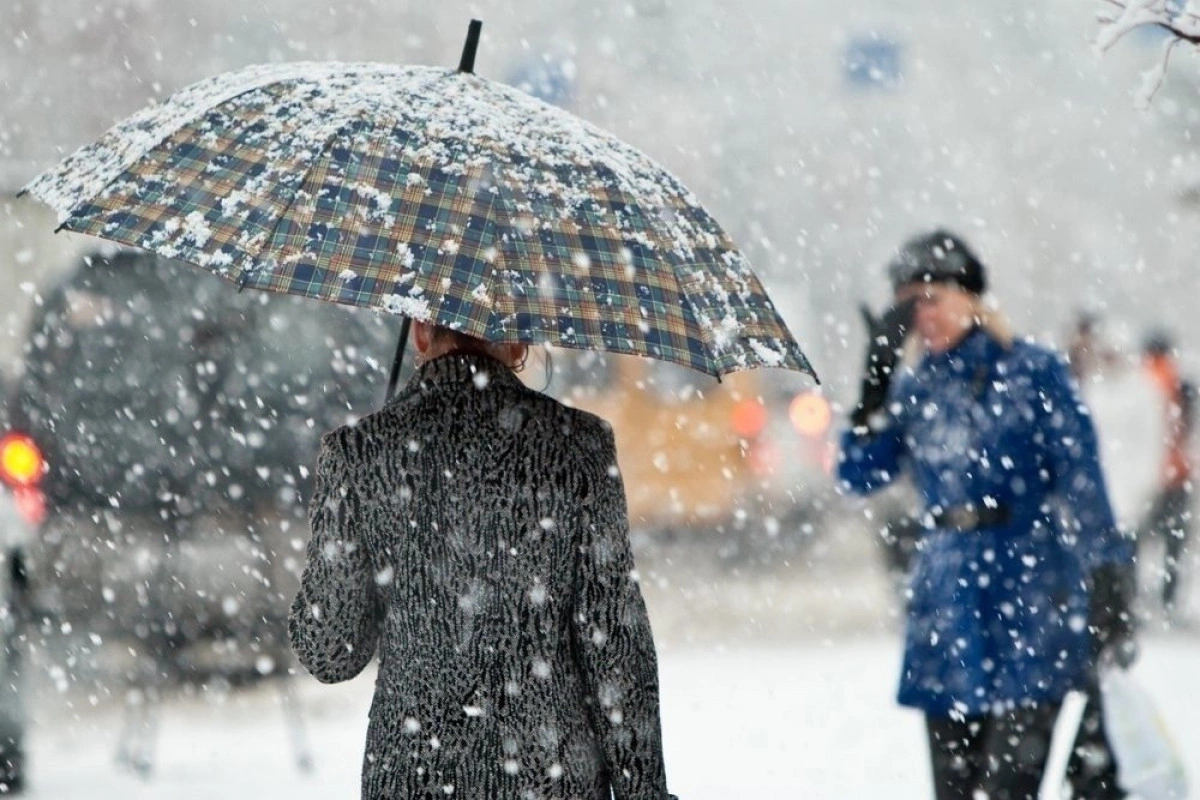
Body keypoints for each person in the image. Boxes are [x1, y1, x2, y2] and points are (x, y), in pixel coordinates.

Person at [289, 322, 675, 800]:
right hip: (551, 777)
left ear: (421, 335)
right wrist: (645, 793)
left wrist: (357, 504)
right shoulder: (580, 447)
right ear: (518, 344)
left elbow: (331, 652)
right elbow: (614, 644)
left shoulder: (357, 453)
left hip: (414, 779)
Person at [838, 230, 1136, 800]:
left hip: (1031, 592)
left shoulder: (1032, 370)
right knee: (954, 789)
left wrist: (1108, 573)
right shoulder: (914, 386)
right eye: (907, 303)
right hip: (947, 600)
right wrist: (872, 389)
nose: (920, 314)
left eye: (932, 296)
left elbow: (1082, 478)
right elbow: (858, 476)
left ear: (971, 296)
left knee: (1009, 787)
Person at [1139, 330, 1195, 619]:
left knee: (1137, 541)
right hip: (1178, 475)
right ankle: (1168, 600)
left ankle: (1130, 600)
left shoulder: (1142, 381)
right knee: (1173, 546)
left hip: (1147, 479)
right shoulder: (1179, 382)